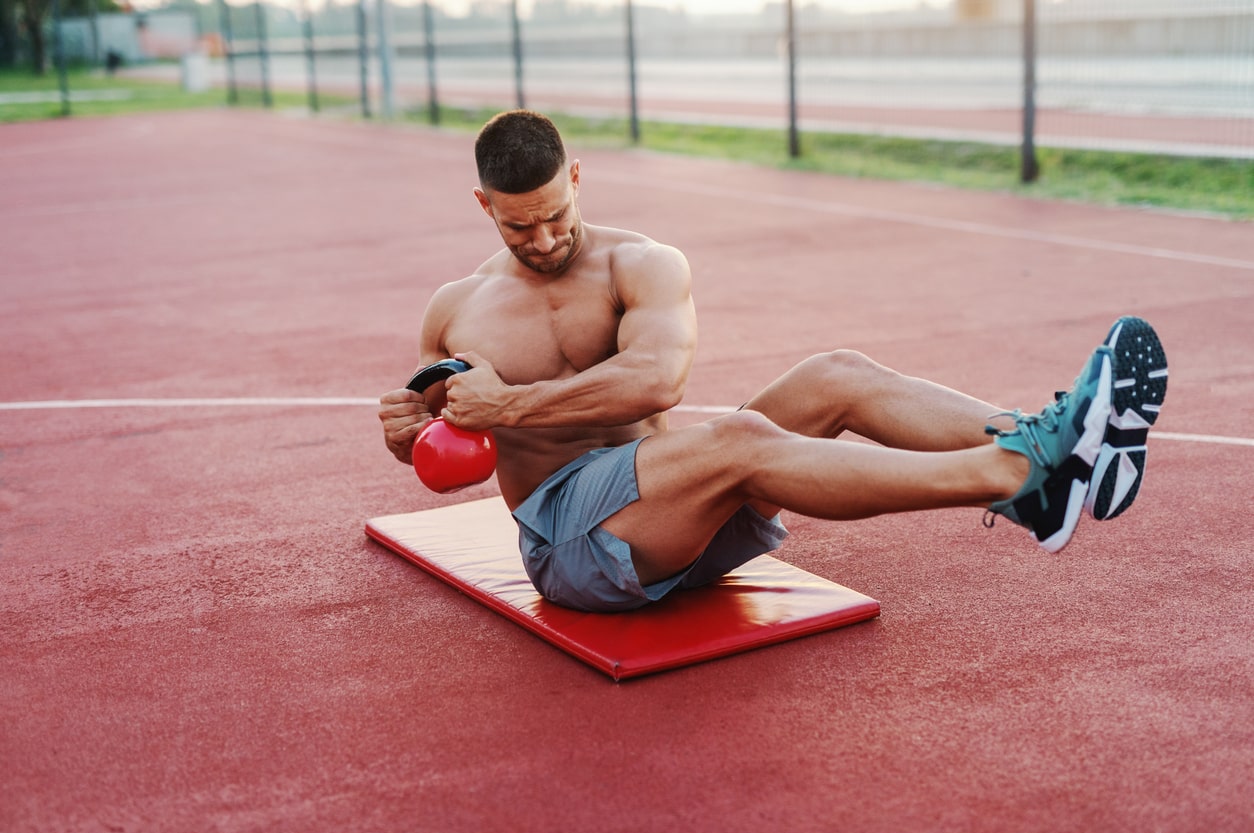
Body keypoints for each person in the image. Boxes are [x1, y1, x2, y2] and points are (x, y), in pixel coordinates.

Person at [378, 110, 1167, 613]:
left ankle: (1040, 461)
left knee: (837, 372)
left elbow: (658, 380)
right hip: (575, 551)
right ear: (485, 206)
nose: (545, 239)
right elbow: (444, 454)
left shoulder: (641, 264)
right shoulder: (455, 308)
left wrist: (510, 405)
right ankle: (1018, 472)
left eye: (556, 214)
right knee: (743, 437)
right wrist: (409, 431)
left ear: (576, 178)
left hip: (680, 520)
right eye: (521, 228)